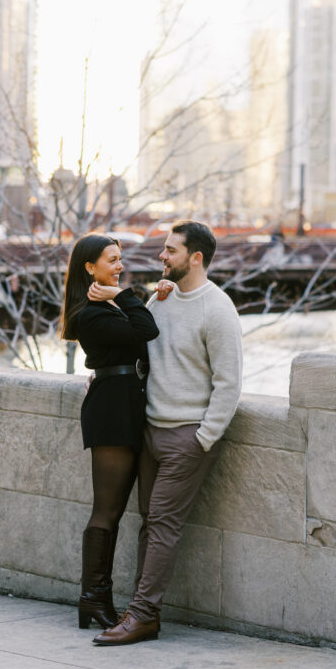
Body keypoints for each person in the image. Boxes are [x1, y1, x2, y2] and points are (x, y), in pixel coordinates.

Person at [94, 220, 243, 646]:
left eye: (171, 250)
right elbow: (145, 351)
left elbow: (229, 383)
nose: (162, 256)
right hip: (150, 431)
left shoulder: (217, 309)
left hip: (186, 438)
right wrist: (105, 376)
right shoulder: (162, 298)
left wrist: (204, 437)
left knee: (161, 524)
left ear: (195, 258)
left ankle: (142, 616)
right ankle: (143, 614)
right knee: (149, 525)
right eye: (164, 248)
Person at [59, 233, 159, 630]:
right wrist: (127, 294)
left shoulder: (107, 304)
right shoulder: (89, 314)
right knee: (107, 510)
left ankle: (96, 600)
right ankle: (93, 600)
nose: (119, 265)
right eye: (111, 260)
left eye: (120, 259)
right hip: (111, 409)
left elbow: (142, 324)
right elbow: (145, 331)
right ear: (90, 267)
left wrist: (150, 292)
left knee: (114, 511)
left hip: (126, 402)